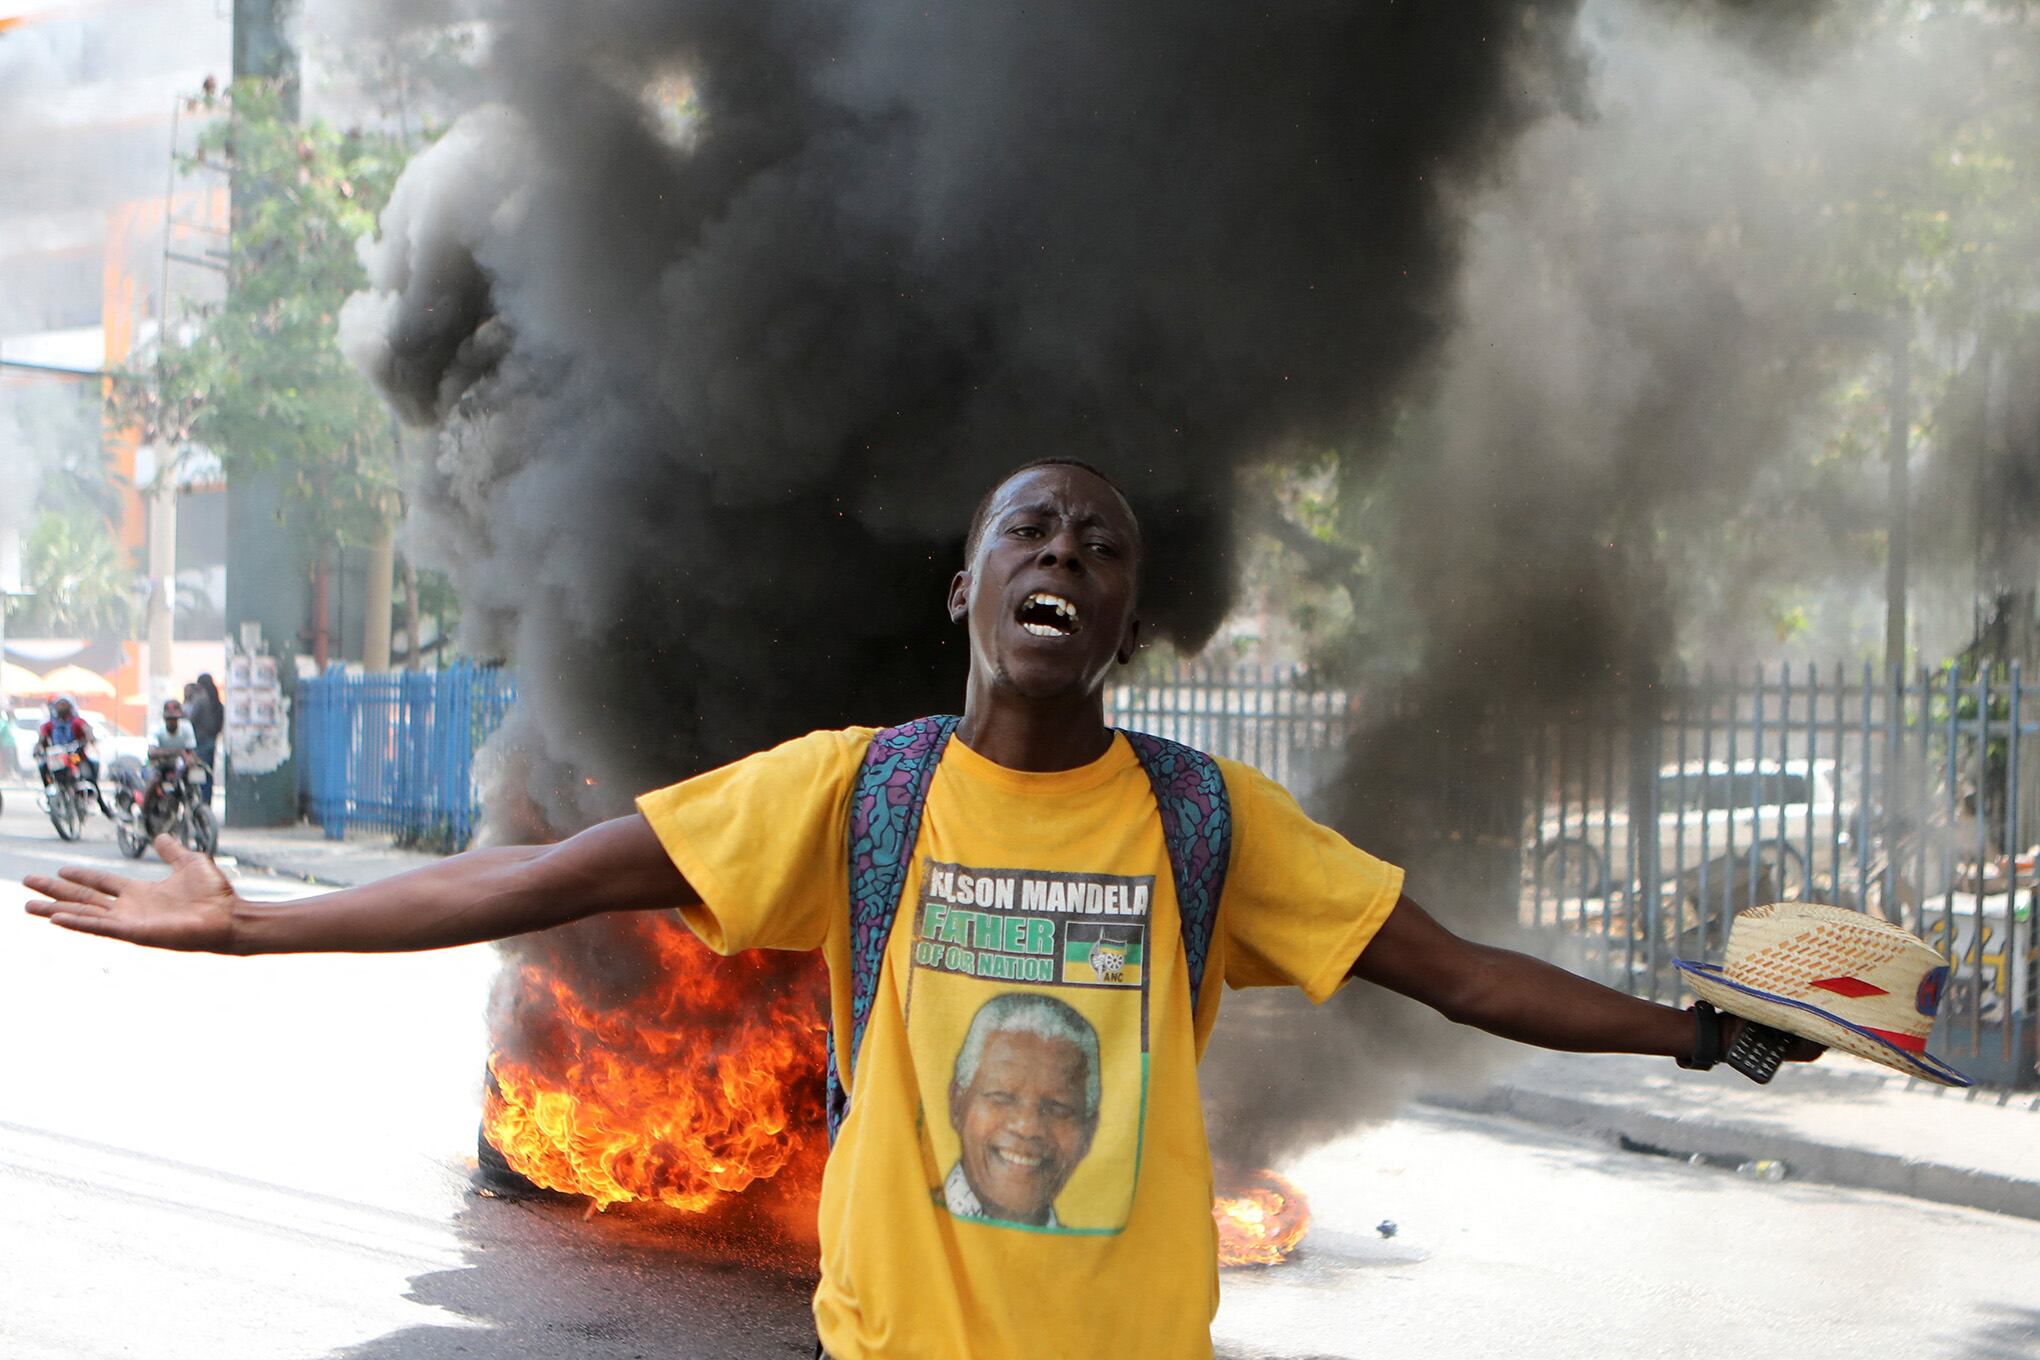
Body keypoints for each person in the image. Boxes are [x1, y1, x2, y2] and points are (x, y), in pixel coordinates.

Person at [24, 459, 1821, 1360]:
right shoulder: (852, 793)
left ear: (1129, 626)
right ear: (967, 587)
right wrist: (246, 923)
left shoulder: (1207, 820)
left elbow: (1464, 978)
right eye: (1031, 534)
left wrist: (1699, 1034)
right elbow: (538, 877)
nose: (1065, 557)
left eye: (1102, 549)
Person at [33, 695, 109, 816]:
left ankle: (98, 803)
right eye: (59, 705)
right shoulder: (49, 725)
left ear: (70, 707)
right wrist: (38, 749)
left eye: (64, 705)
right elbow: (42, 740)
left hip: (75, 756)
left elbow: (87, 732)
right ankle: (49, 793)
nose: (61, 707)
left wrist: (88, 740)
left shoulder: (77, 722)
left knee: (88, 774)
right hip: (56, 757)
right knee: (43, 768)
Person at [141, 698, 200, 818]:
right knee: (154, 781)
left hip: (176, 766)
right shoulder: (157, 730)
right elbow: (152, 752)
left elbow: (190, 751)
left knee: (191, 778)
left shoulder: (186, 728)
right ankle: (144, 812)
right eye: (169, 719)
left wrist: (191, 760)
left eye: (175, 719)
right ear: (164, 719)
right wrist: (178, 752)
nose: (172, 722)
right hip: (158, 765)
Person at [186, 674, 224, 807]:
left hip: (199, 743)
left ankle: (198, 804)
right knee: (208, 775)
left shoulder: (200, 700)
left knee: (197, 775)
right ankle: (207, 804)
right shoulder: (217, 701)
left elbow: (192, 720)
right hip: (212, 742)